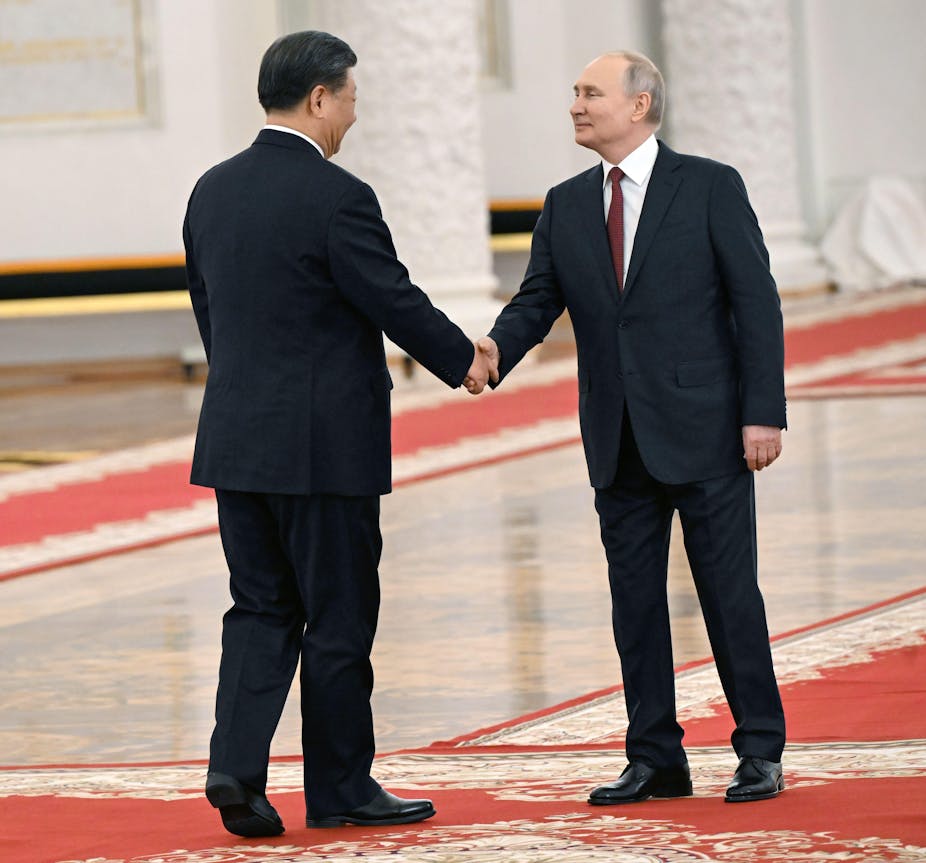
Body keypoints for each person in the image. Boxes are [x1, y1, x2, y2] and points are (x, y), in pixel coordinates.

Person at [183, 30, 492, 837]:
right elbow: (389, 297)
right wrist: (465, 359)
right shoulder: (337, 196)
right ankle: (343, 788)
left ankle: (236, 769)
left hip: (238, 440)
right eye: (350, 96)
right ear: (319, 97)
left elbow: (212, 315)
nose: (355, 112)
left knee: (258, 606)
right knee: (339, 615)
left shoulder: (210, 191)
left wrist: (251, 394)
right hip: (324, 449)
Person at [474, 51, 787, 804]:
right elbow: (537, 301)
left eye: (590, 93)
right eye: (574, 92)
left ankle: (760, 750)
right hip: (616, 436)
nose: (576, 105)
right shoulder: (565, 202)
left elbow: (757, 303)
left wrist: (762, 413)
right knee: (635, 601)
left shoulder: (710, 186)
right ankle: (655, 756)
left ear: (640, 104)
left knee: (728, 594)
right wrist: (491, 351)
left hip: (708, 430)